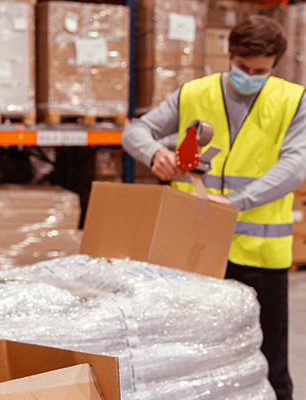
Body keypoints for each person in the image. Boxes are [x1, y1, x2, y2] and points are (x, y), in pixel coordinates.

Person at [122, 15, 305, 400]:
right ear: (229, 54)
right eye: (242, 67)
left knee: (270, 364)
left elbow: (295, 166)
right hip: (192, 249)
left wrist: (236, 203)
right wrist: (155, 152)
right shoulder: (194, 93)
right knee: (190, 355)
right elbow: (134, 130)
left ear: (276, 65)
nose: (249, 76)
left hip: (259, 255)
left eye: (259, 71)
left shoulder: (293, 101)